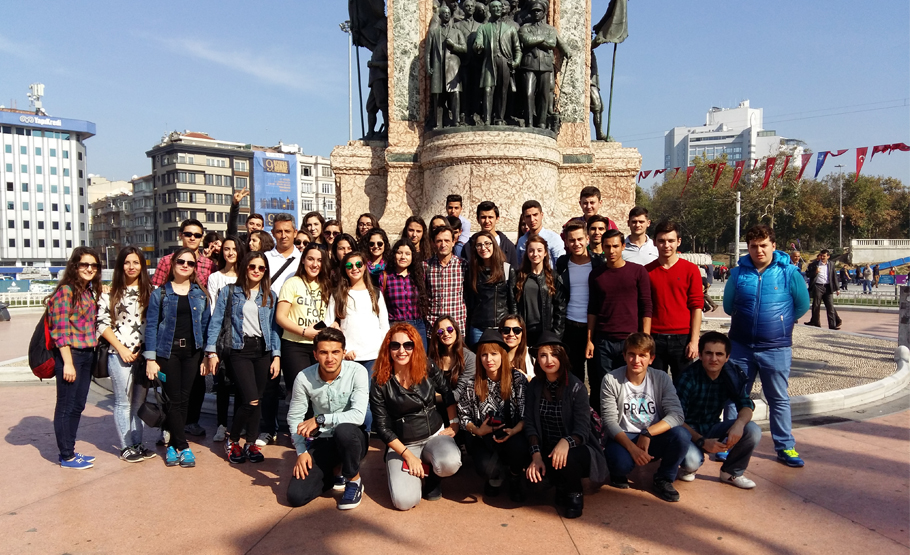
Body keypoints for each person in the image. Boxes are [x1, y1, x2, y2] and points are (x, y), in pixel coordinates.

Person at [723, 224, 810, 468]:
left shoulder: (789, 273)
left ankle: (785, 446)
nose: (758, 250)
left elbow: (802, 305)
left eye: (763, 245)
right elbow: (729, 307)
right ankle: (727, 443)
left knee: (778, 398)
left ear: (773, 245)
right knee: (734, 397)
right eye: (753, 246)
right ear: (748, 248)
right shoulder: (738, 274)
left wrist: (780, 322)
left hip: (776, 347)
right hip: (740, 346)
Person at [371, 323, 463, 510]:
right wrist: (408, 456)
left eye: (408, 345)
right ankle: (413, 469)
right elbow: (382, 427)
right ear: (388, 348)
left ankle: (431, 478)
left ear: (415, 347)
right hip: (403, 443)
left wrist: (454, 423)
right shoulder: (379, 381)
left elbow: (446, 392)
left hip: (434, 434)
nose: (402, 351)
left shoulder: (426, 366)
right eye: (395, 345)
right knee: (404, 502)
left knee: (450, 462)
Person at [205, 252, 282, 464]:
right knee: (251, 399)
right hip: (239, 350)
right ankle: (233, 440)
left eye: (261, 268)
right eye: (252, 267)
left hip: (263, 350)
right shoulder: (230, 292)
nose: (256, 271)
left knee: (257, 400)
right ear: (244, 268)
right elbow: (216, 322)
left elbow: (274, 329)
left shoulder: (270, 295)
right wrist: (211, 352)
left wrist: (276, 355)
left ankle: (250, 443)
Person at [525, 331, 607, 519]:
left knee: (568, 458)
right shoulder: (535, 387)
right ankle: (560, 483)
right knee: (535, 485)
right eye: (543, 355)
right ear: (537, 359)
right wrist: (536, 455)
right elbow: (530, 423)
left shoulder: (576, 387)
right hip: (547, 450)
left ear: (562, 356)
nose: (549, 360)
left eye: (554, 354)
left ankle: (574, 492)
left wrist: (566, 442)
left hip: (578, 450)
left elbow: (583, 429)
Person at [286, 328, 371, 509]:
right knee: (296, 496)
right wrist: (301, 452)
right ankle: (334, 471)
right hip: (323, 440)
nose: (330, 358)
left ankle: (353, 481)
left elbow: (358, 415)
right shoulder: (303, 378)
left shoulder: (357, 372)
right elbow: (295, 417)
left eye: (335, 352)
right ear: (315, 354)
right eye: (324, 352)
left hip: (353, 438)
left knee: (344, 430)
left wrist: (320, 419)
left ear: (343, 353)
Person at [144, 247, 211, 468]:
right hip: (168, 352)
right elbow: (151, 326)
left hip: (192, 353)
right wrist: (150, 359)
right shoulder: (160, 293)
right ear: (172, 264)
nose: (185, 265)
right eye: (181, 261)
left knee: (184, 398)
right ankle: (183, 446)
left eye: (190, 263)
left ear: (194, 268)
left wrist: (205, 356)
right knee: (173, 398)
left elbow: (205, 325)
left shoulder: (200, 293)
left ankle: (173, 443)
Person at [601, 333, 689, 502]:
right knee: (620, 464)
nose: (636, 360)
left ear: (651, 358)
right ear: (624, 356)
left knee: (681, 436)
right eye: (632, 354)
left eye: (642, 355)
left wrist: (647, 433)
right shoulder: (611, 380)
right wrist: (632, 449)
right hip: (624, 435)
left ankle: (663, 478)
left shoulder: (661, 378)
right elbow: (610, 421)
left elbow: (677, 415)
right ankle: (618, 471)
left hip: (652, 435)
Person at [677, 332, 762, 489]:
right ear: (700, 355)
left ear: (727, 357)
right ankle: (688, 467)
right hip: (688, 431)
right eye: (708, 353)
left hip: (713, 426)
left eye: (719, 354)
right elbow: (676, 418)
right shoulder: (688, 377)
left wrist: (739, 424)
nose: (714, 359)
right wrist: (702, 441)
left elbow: (746, 404)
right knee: (691, 462)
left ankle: (731, 472)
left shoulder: (731, 374)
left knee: (752, 430)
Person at [98, 247, 155, 463]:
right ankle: (125, 446)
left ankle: (138, 443)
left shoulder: (152, 291)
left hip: (143, 356)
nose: (132, 267)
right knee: (123, 402)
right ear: (120, 265)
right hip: (118, 354)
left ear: (142, 266)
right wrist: (120, 348)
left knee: (139, 403)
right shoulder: (109, 293)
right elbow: (102, 324)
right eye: (127, 262)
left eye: (136, 262)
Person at [457, 330, 529, 500]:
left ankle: (514, 475)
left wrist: (514, 430)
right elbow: (462, 415)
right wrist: (477, 430)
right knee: (485, 468)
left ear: (502, 355)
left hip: (513, 433)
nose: (489, 360)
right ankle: (495, 477)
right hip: (484, 438)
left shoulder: (517, 379)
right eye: (484, 355)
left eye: (494, 354)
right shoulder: (471, 384)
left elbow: (528, 413)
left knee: (520, 449)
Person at [585, 229, 652, 412]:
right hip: (603, 340)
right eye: (607, 246)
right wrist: (590, 340)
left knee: (630, 386)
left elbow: (646, 306)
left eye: (615, 246)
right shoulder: (596, 275)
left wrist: (645, 339)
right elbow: (593, 309)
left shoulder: (638, 272)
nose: (611, 250)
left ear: (623, 246)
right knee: (604, 387)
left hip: (630, 341)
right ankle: (604, 428)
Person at [49, 247, 102, 469]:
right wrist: (68, 362)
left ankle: (70, 450)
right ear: (75, 266)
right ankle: (66, 455)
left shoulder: (87, 290)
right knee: (66, 405)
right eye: (84, 265)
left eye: (93, 265)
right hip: (71, 355)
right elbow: (60, 331)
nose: (89, 269)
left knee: (78, 405)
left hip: (87, 355)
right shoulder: (66, 292)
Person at [324, 251, 390, 433]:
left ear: (364, 267)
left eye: (358, 265)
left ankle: (364, 435)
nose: (354, 269)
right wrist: (343, 352)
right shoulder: (338, 294)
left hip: (372, 357)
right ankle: (350, 436)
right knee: (348, 399)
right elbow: (330, 327)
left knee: (365, 399)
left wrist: (383, 353)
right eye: (349, 266)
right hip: (348, 358)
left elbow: (384, 325)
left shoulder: (375, 293)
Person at [645, 221, 703, 385]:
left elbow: (696, 306)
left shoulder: (690, 270)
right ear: (655, 242)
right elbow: (645, 308)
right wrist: (646, 339)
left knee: (684, 388)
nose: (666, 245)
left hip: (682, 339)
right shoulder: (646, 271)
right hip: (655, 337)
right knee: (655, 387)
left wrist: (694, 340)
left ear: (678, 241)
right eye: (662, 241)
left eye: (670, 241)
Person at [207, 236, 247, 442]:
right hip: (223, 336)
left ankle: (238, 426)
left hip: (243, 336)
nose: (230, 252)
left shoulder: (246, 275)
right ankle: (221, 425)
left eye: (233, 249)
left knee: (241, 383)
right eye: (226, 249)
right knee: (222, 384)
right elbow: (214, 309)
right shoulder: (215, 278)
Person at [554, 222, 601, 397]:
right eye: (572, 240)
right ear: (566, 242)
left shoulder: (598, 263)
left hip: (594, 328)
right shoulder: (562, 263)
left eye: (580, 239)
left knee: (596, 378)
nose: (576, 243)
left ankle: (596, 419)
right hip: (570, 326)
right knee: (573, 378)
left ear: (587, 239)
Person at [465, 230, 517, 345]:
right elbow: (469, 301)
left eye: (487, 243)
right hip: (478, 327)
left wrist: (513, 326)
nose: (483, 248)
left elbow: (512, 301)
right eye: (479, 245)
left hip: (501, 327)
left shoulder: (507, 269)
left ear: (494, 245)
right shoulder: (471, 271)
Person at [429, 316, 477, 439]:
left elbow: (460, 393)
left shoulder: (470, 358)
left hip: (463, 410)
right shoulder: (432, 359)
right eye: (441, 331)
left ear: (456, 330)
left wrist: (436, 397)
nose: (446, 333)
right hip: (437, 411)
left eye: (449, 329)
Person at [515, 234, 565, 346]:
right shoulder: (519, 276)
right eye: (531, 250)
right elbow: (514, 305)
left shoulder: (553, 276)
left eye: (539, 250)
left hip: (546, 330)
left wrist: (555, 335)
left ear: (545, 253)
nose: (535, 254)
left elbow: (560, 308)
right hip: (524, 331)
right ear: (527, 253)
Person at [380, 239, 429, 351]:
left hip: (417, 325)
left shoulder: (419, 276)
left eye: (407, 254)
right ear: (394, 255)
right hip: (395, 325)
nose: (403, 257)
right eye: (399, 253)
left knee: (419, 361)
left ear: (412, 257)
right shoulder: (385, 277)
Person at [424, 225, 468, 338]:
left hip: (457, 327)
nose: (443, 244)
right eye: (439, 241)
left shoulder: (463, 265)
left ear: (454, 242)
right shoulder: (425, 266)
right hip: (434, 328)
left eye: (447, 240)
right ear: (433, 243)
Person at [151, 218, 216, 288]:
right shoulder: (167, 261)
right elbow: (155, 288)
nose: (192, 238)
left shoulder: (210, 264)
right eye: (188, 234)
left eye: (197, 235)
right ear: (180, 235)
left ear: (202, 238)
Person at [471, 200, 518, 266]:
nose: (487, 221)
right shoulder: (469, 245)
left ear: (497, 219)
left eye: (490, 217)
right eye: (483, 217)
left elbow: (514, 272)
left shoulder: (508, 246)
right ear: (477, 219)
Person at [804, 249, 841, 330]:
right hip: (818, 286)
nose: (822, 257)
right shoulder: (814, 264)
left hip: (828, 287)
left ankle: (832, 325)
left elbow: (834, 276)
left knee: (830, 306)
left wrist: (837, 288)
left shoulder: (831, 264)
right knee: (816, 305)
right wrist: (815, 272)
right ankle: (816, 323)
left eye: (824, 256)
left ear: (828, 256)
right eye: (821, 256)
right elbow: (808, 274)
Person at [500, 314, 533, 379]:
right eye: (506, 330)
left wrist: (525, 377)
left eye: (516, 330)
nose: (511, 334)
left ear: (522, 334)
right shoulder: (494, 356)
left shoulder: (532, 355)